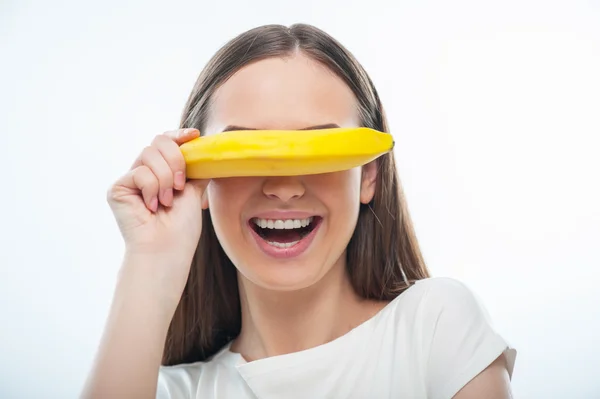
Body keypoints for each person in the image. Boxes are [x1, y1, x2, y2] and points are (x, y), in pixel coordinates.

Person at [82, 23, 516, 399]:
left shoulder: (436, 326)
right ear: (201, 179)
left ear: (369, 176)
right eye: (245, 151)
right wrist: (150, 261)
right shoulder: (171, 391)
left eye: (318, 151)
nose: (284, 188)